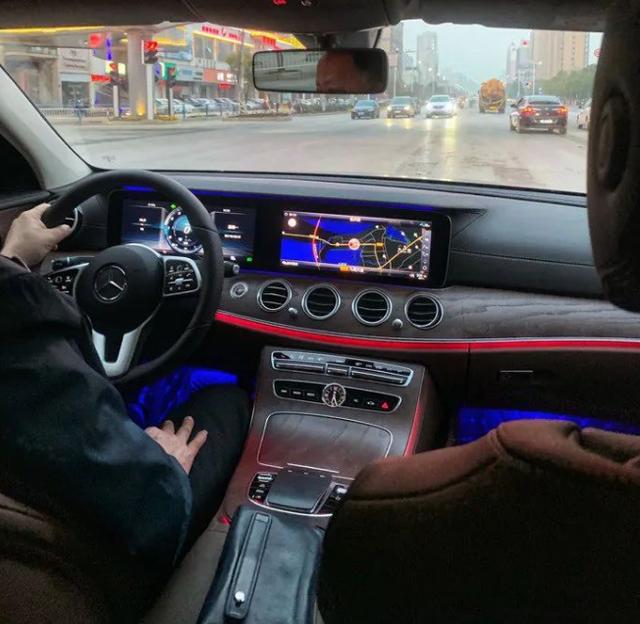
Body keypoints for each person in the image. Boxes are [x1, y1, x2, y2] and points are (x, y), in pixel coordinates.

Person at [0, 204, 249, 580]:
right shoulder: (22, 346)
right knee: (229, 397)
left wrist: (12, 260)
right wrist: (161, 466)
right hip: (101, 554)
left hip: (37, 528)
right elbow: (141, 500)